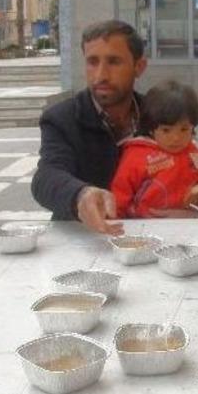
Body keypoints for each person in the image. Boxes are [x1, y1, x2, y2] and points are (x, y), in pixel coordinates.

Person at [31, 20, 148, 236]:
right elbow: (46, 176)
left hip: (148, 238)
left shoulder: (158, 116)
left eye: (114, 62)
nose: (101, 75)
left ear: (139, 67)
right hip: (83, 240)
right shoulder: (61, 118)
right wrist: (80, 195)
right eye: (92, 62)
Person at [110, 80, 198, 218]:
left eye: (184, 129)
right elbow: (120, 192)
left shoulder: (195, 157)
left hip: (188, 224)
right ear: (151, 128)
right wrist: (114, 219)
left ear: (193, 127)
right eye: (166, 130)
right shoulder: (136, 156)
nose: (176, 138)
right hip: (145, 225)